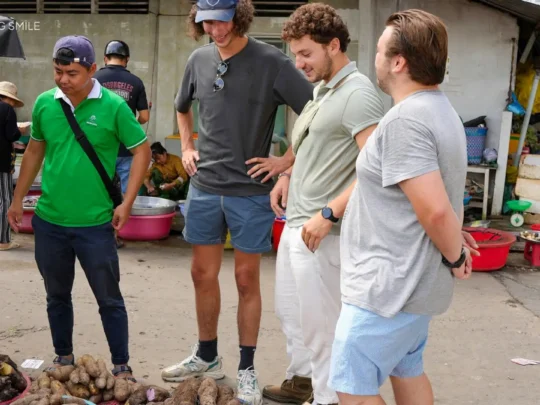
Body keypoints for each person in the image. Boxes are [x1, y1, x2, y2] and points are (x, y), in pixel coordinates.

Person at [160, 0, 313, 403]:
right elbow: (181, 109)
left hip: (250, 191)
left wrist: (286, 162)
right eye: (207, 21)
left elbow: (317, 112)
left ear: (238, 16)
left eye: (222, 20)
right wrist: (188, 147)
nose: (216, 29)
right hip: (205, 186)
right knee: (201, 274)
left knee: (246, 280)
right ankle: (207, 355)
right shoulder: (198, 59)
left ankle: (246, 367)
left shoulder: (273, 62)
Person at [328, 10, 472, 405]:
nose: (373, 57)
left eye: (378, 50)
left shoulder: (406, 122)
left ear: (398, 62)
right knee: (406, 369)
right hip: (408, 284)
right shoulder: (441, 110)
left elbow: (436, 211)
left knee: (351, 384)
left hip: (388, 287)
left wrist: (456, 255)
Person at [8, 35, 151, 379]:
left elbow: (142, 150)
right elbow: (34, 152)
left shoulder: (114, 106)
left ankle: (121, 365)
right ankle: (63, 357)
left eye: (71, 73)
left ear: (91, 69)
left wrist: (127, 203)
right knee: (56, 296)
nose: (63, 80)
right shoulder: (45, 104)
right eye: (58, 71)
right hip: (50, 222)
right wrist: (16, 199)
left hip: (95, 225)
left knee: (109, 299)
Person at [262, 4, 384, 405]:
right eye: (295, 54)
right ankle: (304, 383)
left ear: (334, 45)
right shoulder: (322, 91)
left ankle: (329, 399)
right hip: (297, 223)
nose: (299, 63)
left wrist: (330, 213)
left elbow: (376, 170)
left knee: (323, 328)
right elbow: (310, 144)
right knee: (293, 317)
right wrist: (286, 175)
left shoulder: (359, 95)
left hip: (324, 233)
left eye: (307, 54)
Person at [93, 40, 150, 248]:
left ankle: (98, 234)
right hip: (127, 148)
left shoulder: (94, 79)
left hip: (99, 148)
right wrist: (126, 125)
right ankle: (117, 235)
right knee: (124, 194)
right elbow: (144, 116)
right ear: (126, 60)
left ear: (105, 58)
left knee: (99, 190)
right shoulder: (136, 82)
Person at [0, 82, 25, 251]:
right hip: (1, 162)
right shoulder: (7, 110)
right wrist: (20, 132)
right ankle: (3, 240)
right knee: (5, 200)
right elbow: (11, 134)